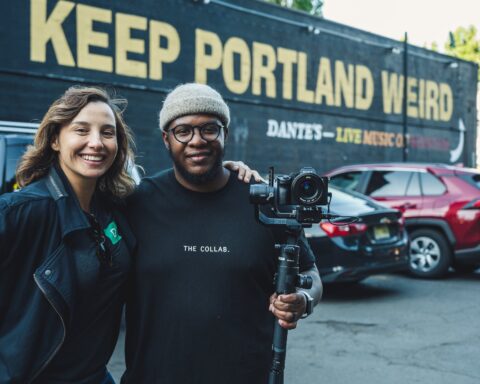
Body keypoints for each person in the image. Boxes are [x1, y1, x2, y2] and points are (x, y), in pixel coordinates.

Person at [122, 83, 322, 384]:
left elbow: (311, 272)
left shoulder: (265, 203)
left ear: (224, 134)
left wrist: (303, 300)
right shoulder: (138, 203)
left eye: (209, 129)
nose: (197, 140)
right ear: (166, 139)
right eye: (183, 131)